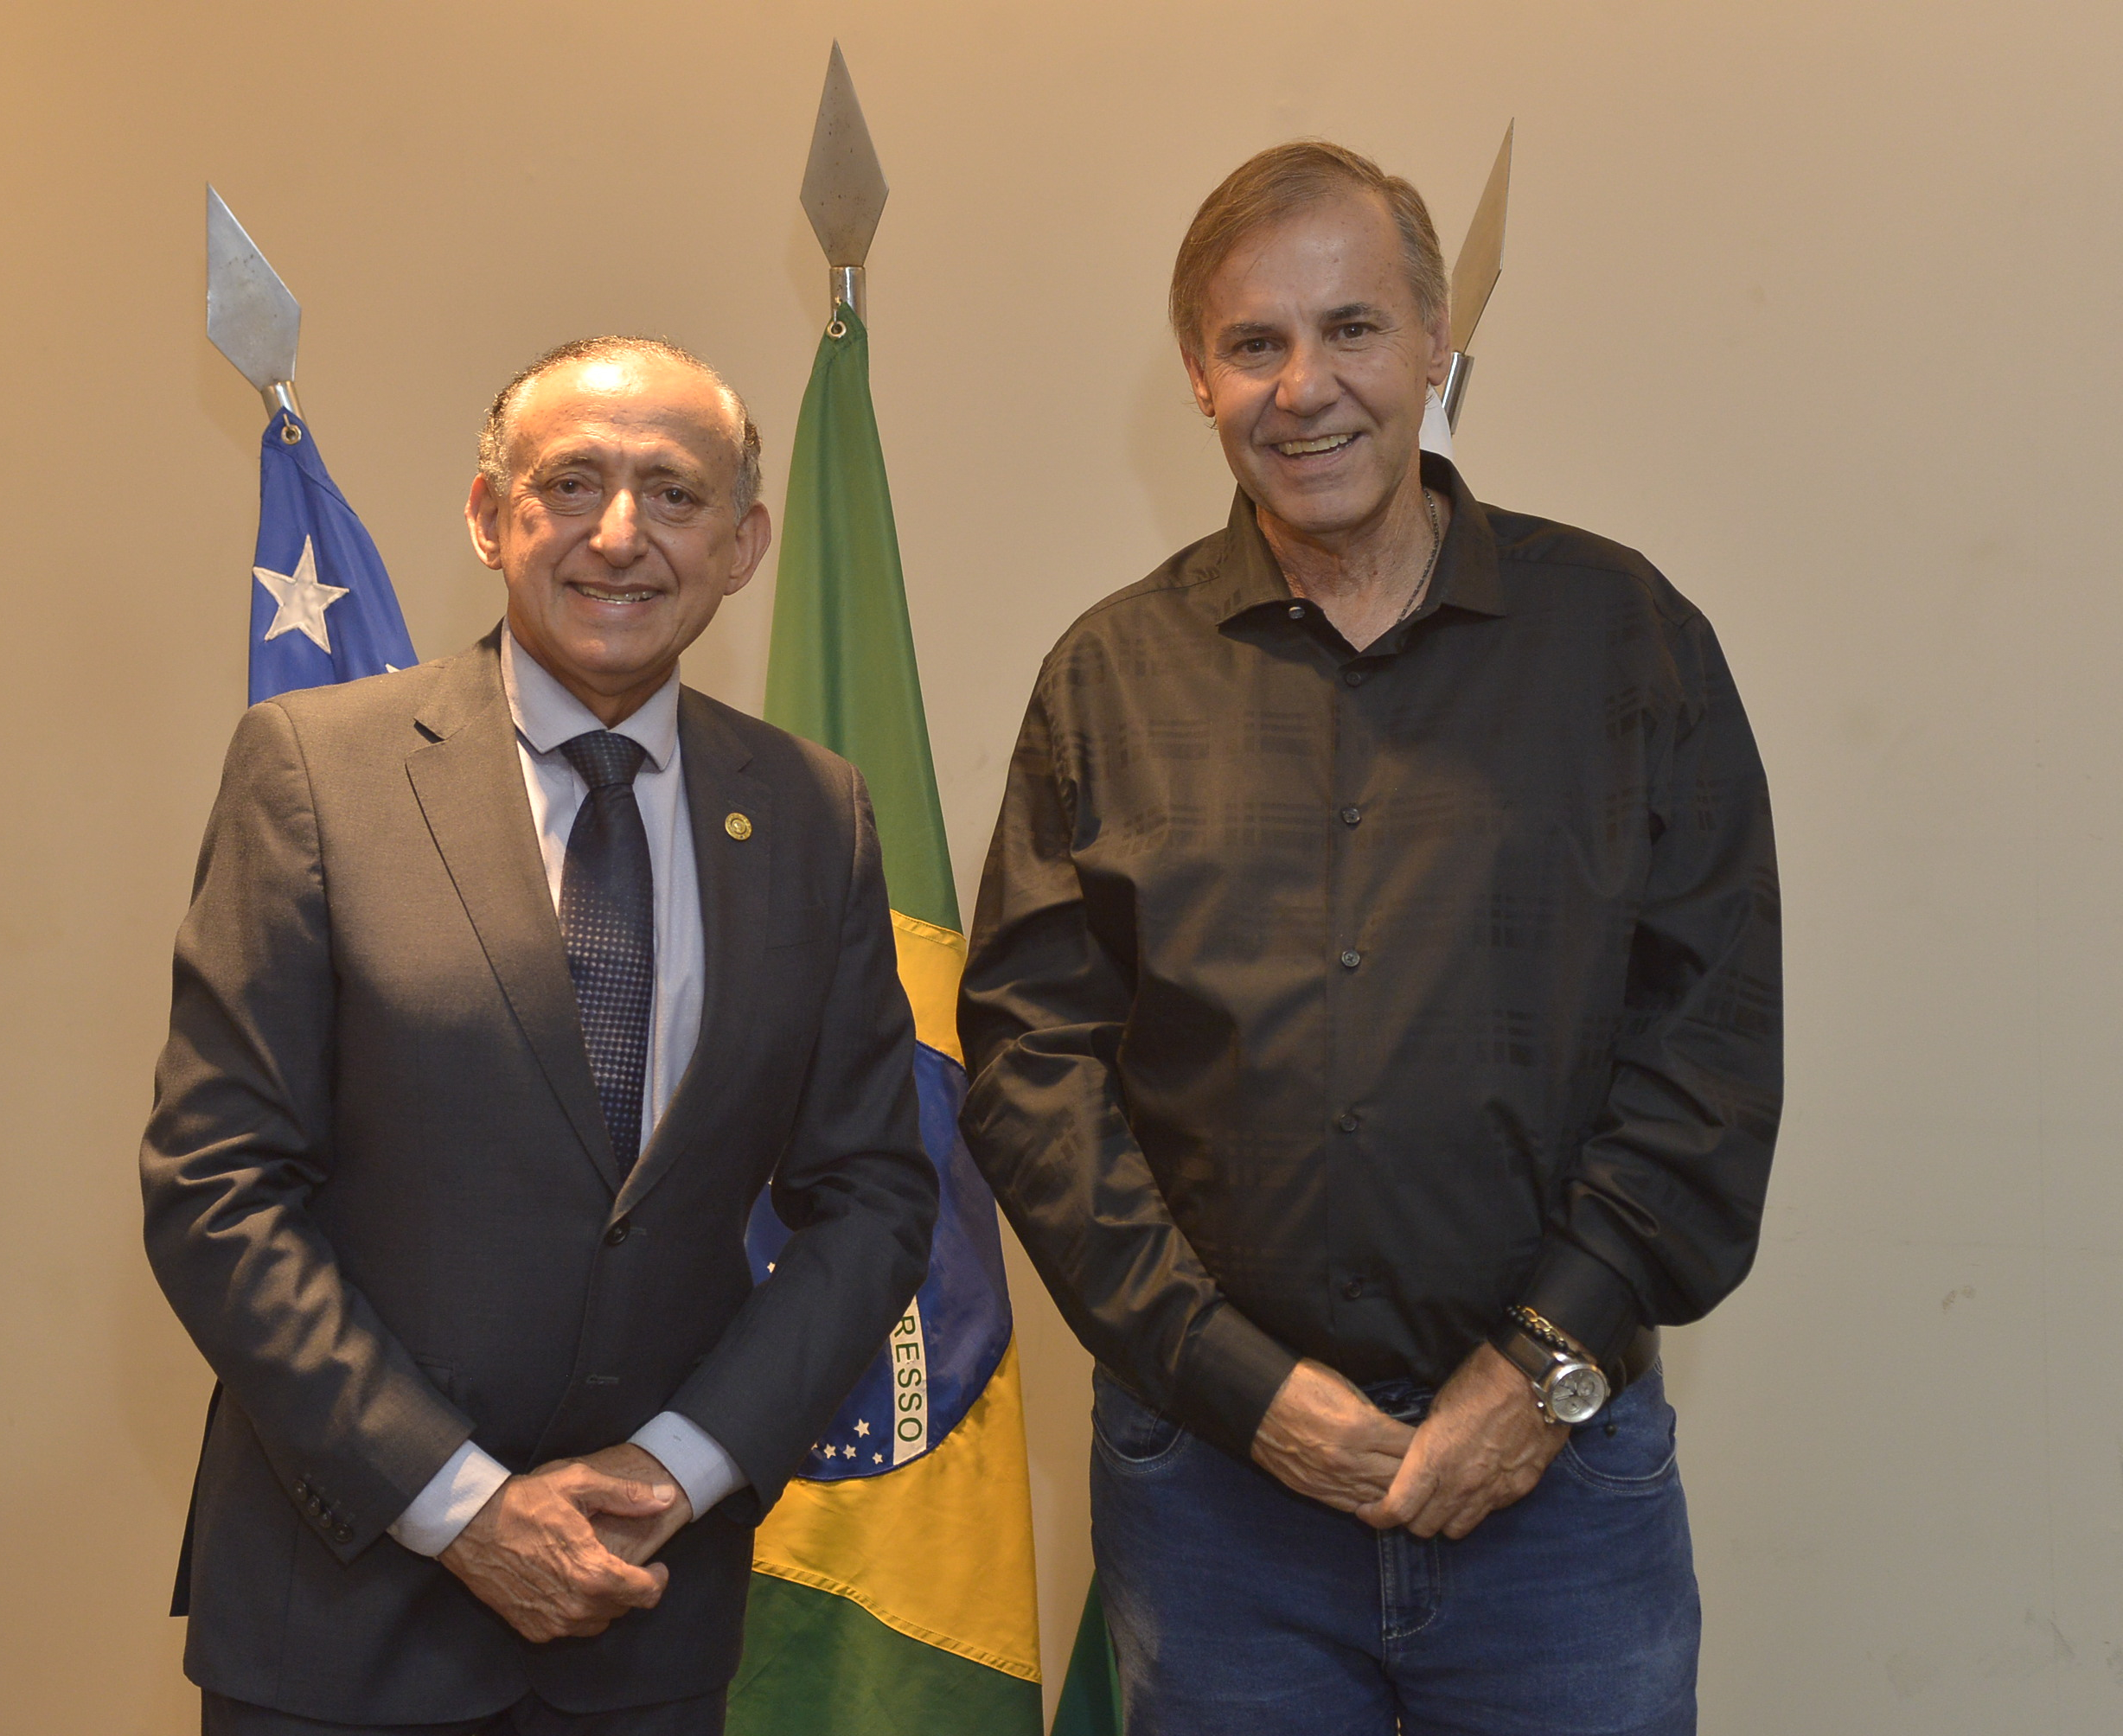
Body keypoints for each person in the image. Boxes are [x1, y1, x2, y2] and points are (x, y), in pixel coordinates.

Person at [959, 141, 1781, 1734]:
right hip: (1214, 1502)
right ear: (1198, 375)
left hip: (1559, 1484)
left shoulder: (1626, 642)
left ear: (1435, 346)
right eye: (1254, 342)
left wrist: (1538, 1372)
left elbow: (1712, 1045)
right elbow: (1032, 1072)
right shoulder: (1107, 679)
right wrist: (1238, 1385)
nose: (1305, 388)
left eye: (1352, 329)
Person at [143, 336, 938, 1736]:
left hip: (646, 1609)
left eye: (674, 493)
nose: (619, 534)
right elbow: (217, 1189)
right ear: (487, 516)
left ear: (744, 544)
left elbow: (871, 1195)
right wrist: (463, 1506)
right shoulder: (315, 772)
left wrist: (677, 1470)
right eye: (571, 483)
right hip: (342, 1619)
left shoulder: (816, 814)